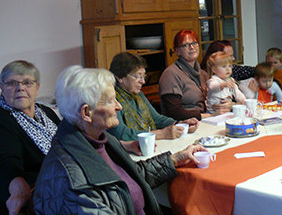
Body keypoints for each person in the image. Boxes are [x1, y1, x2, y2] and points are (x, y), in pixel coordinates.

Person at [33, 65, 207, 215]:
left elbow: (128, 176)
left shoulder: (99, 139)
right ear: (87, 113)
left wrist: (174, 159)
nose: (119, 106)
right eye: (110, 101)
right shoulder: (72, 182)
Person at [0, 60, 60, 215]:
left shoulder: (46, 112)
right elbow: (7, 161)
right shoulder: (3, 119)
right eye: (12, 83)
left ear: (37, 87)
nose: (20, 88)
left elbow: (70, 141)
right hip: (32, 195)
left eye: (27, 82)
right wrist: (17, 186)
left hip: (60, 185)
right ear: (1, 88)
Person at [108, 52, 199, 141]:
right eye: (137, 77)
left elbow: (156, 119)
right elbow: (122, 134)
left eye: (144, 76)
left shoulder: (138, 94)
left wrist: (179, 124)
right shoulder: (112, 99)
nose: (143, 81)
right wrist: (161, 134)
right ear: (119, 77)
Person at [159, 29, 230, 120]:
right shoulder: (171, 74)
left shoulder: (203, 74)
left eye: (194, 43)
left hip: (208, 120)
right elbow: (174, 112)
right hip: (184, 125)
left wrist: (230, 104)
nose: (192, 47)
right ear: (177, 51)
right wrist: (210, 116)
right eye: (185, 45)